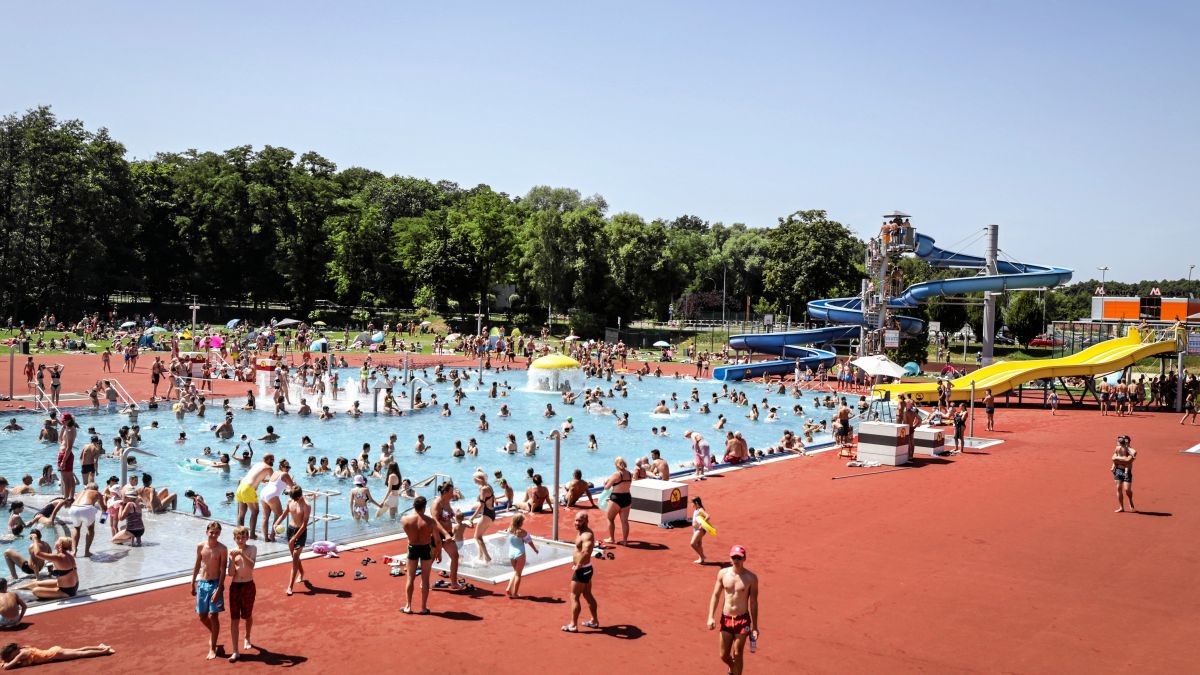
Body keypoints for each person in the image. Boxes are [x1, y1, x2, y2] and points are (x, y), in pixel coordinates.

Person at [707, 545, 760, 675]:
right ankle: (732, 667)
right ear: (730, 558)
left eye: (739, 557)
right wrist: (710, 617)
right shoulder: (723, 574)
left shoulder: (751, 578)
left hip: (742, 620)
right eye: (733, 557)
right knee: (723, 655)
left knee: (737, 652)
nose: (736, 560)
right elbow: (715, 595)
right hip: (726, 619)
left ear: (744, 558)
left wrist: (755, 626)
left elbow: (753, 602)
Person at [191, 521, 228, 661]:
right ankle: (214, 633)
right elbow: (197, 564)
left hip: (215, 584)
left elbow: (223, 570)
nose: (214, 535)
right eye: (211, 532)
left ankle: (212, 647)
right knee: (202, 616)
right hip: (202, 583)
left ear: (219, 534)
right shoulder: (201, 546)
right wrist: (192, 582)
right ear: (207, 532)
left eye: (217, 533)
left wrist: (219, 589)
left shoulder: (223, 549)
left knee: (214, 616)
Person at [400, 495, 441, 615]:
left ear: (414, 506)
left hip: (412, 547)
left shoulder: (405, 519)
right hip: (425, 548)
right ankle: (423, 607)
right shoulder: (431, 521)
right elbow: (437, 541)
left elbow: (408, 534)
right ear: (424, 507)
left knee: (410, 578)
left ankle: (408, 606)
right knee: (425, 578)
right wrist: (438, 552)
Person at [562, 511, 599, 633]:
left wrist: (578, 565)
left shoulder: (586, 535)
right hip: (587, 568)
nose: (577, 523)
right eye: (576, 520)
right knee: (587, 594)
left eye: (580, 521)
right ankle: (594, 621)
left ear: (586, 521)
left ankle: (573, 625)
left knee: (574, 596)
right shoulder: (581, 533)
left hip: (582, 570)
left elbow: (586, 552)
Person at [226, 526, 257, 662]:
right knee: (234, 619)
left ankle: (247, 637)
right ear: (234, 539)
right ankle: (235, 651)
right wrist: (233, 559)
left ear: (247, 538)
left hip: (248, 586)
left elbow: (251, 566)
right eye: (238, 538)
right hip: (235, 587)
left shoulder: (252, 549)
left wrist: (242, 554)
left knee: (247, 615)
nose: (240, 540)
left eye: (243, 537)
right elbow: (231, 573)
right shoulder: (231, 552)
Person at [277, 485, 310, 596]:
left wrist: (294, 538)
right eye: (293, 498)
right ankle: (301, 572)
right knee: (294, 557)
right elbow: (284, 514)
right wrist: (276, 523)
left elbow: (304, 525)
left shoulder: (306, 506)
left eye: (296, 498)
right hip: (290, 530)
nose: (295, 500)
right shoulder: (290, 501)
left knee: (295, 556)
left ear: (300, 495)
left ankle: (290, 587)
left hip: (300, 532)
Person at [235, 454, 275, 538]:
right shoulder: (268, 468)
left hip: (241, 486)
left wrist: (264, 480)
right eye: (272, 460)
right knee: (255, 511)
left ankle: (239, 534)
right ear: (267, 459)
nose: (273, 462)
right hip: (249, 489)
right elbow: (274, 480)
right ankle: (252, 534)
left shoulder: (257, 464)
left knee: (241, 513)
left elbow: (256, 476)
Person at [504, 513, 538, 599]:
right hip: (520, 554)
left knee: (515, 572)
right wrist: (535, 549)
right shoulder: (522, 532)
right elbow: (529, 542)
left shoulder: (509, 530)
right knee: (518, 574)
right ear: (520, 522)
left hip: (511, 554)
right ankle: (515, 594)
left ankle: (509, 588)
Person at [0, 642, 114, 669]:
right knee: (79, 650)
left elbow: (8, 666)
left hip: (55, 654)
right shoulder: (24, 648)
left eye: (10, 656)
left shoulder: (21, 654)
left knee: (80, 654)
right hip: (54, 651)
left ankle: (103, 651)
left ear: (13, 653)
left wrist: (6, 663)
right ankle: (100, 646)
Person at [603, 457, 632, 546]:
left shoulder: (616, 474)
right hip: (627, 498)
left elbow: (606, 487)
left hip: (616, 498)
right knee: (624, 521)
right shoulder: (630, 474)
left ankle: (612, 538)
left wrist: (605, 482)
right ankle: (625, 541)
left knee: (610, 518)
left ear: (616, 465)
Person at [471, 470, 496, 564]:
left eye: (475, 480)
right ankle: (480, 556)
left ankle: (487, 557)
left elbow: (481, 506)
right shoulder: (488, 486)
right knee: (479, 536)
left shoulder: (483, 489)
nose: (475, 482)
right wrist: (480, 473)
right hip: (492, 513)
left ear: (479, 479)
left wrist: (472, 517)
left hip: (487, 514)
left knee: (477, 537)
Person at [1112, 435, 1137, 513]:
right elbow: (1113, 458)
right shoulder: (1118, 448)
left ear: (1128, 441)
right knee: (1118, 488)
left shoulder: (1132, 451)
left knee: (1127, 489)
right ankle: (1121, 507)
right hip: (1118, 470)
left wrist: (1118, 459)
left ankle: (1130, 500)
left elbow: (1128, 460)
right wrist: (1114, 465)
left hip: (1127, 472)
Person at [690, 496, 712, 564]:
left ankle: (702, 556)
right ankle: (701, 559)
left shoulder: (700, 509)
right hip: (696, 529)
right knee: (699, 544)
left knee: (692, 544)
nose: (691, 504)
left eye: (692, 502)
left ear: (696, 503)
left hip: (700, 530)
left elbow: (708, 516)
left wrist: (702, 525)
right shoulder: (696, 510)